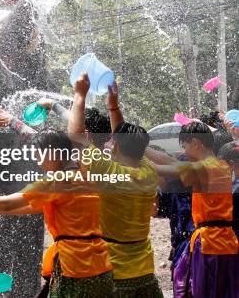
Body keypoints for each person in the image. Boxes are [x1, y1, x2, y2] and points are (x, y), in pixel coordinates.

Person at [0, 130, 114, 297]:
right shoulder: (85, 175)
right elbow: (33, 206)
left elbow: (10, 202)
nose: (38, 162)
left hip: (76, 266)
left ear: (54, 154)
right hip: (102, 265)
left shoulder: (56, 181)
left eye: (39, 156)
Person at [68, 74, 163, 297]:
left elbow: (75, 136)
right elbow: (124, 139)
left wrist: (79, 94)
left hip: (115, 271)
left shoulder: (109, 171)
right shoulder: (148, 171)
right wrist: (113, 106)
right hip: (145, 270)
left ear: (116, 147)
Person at [145, 122, 239, 297]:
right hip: (227, 241)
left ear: (196, 143)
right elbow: (171, 161)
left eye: (185, 146)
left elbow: (161, 167)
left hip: (209, 243)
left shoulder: (203, 168)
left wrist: (136, 151)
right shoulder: (222, 166)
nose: (185, 152)